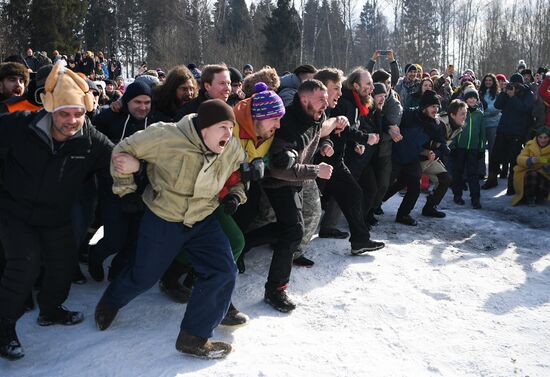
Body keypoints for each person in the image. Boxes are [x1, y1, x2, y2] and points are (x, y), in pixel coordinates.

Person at [94, 99, 246, 359]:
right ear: (205, 127)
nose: (228, 135)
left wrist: (236, 195)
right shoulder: (165, 136)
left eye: (231, 128)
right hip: (164, 217)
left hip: (203, 218)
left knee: (223, 271)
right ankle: (111, 300)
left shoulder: (231, 147)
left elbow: (235, 178)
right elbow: (121, 150)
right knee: (144, 276)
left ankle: (193, 337)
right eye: (222, 127)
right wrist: (125, 189)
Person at [0, 63, 113, 360]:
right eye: (64, 113)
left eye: (78, 113)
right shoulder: (18, 126)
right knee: (25, 262)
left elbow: (118, 158)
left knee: (63, 261)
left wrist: (132, 166)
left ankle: (51, 309)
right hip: (14, 211)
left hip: (55, 214)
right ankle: (3, 328)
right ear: (50, 109)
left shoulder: (91, 140)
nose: (72, 121)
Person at [260, 79, 333, 312]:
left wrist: (326, 143)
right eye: (321, 99)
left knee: (286, 229)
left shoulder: (316, 115)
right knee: (293, 231)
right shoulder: (288, 123)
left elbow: (317, 133)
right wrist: (315, 171)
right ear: (304, 100)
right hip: (277, 182)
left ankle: (242, 245)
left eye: (325, 98)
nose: (326, 103)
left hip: (296, 180)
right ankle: (276, 290)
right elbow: (278, 168)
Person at [483, 73, 536, 193]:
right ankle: (492, 179)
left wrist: (513, 97)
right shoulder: (507, 92)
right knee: (495, 156)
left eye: (516, 85)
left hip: (517, 132)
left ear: (521, 85)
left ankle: (511, 185)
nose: (514, 87)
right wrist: (503, 92)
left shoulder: (528, 94)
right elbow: (497, 105)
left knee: (513, 159)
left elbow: (524, 109)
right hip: (503, 129)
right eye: (512, 84)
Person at [449, 88, 485, 209]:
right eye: (469, 97)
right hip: (460, 148)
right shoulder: (461, 112)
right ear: (465, 99)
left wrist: (481, 149)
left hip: (473, 149)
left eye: (474, 98)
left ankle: (475, 198)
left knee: (473, 174)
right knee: (458, 172)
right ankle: (457, 195)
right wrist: (453, 146)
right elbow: (454, 130)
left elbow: (482, 133)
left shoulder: (479, 114)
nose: (472, 100)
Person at [511, 127, 550, 206]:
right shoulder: (530, 145)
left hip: (545, 174)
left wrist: (548, 166)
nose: (543, 140)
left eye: (545, 137)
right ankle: (529, 197)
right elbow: (519, 158)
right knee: (532, 175)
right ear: (537, 137)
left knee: (543, 179)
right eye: (540, 137)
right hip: (529, 172)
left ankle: (541, 196)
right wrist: (529, 160)